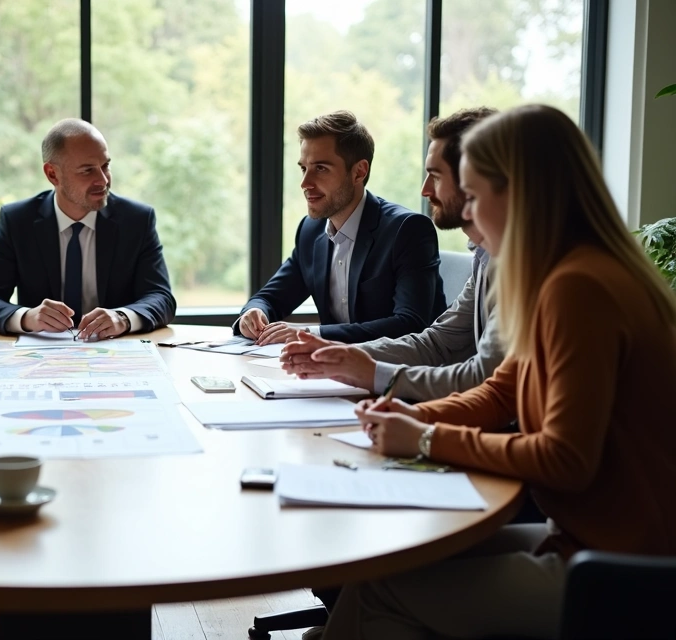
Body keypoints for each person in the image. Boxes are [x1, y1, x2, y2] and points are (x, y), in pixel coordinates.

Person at [323, 104, 676, 639]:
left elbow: (565, 458)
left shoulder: (579, 288)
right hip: (584, 540)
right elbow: (498, 391)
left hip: (624, 569)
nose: (468, 217)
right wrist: (394, 419)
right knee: (381, 571)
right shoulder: (563, 273)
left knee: (383, 590)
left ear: (518, 193)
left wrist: (424, 439)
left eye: (475, 198)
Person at [280, 108, 504, 400]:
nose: (425, 190)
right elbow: (437, 343)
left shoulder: (523, 265)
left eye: (435, 176)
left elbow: (484, 378)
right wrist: (336, 355)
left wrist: (370, 373)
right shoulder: (485, 256)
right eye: (303, 168)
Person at [235, 111, 445, 345]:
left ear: (359, 172)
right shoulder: (311, 230)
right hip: (336, 374)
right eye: (304, 168)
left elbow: (410, 324)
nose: (305, 183)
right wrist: (253, 313)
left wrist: (311, 335)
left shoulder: (407, 230)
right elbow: (271, 298)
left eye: (321, 168)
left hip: (401, 373)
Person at [0, 118, 175, 339]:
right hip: (41, 361)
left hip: (115, 357)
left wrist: (122, 318)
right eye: (87, 171)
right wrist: (28, 317)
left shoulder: (136, 220)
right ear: (52, 174)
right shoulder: (18, 221)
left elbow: (161, 297)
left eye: (105, 166)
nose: (103, 180)